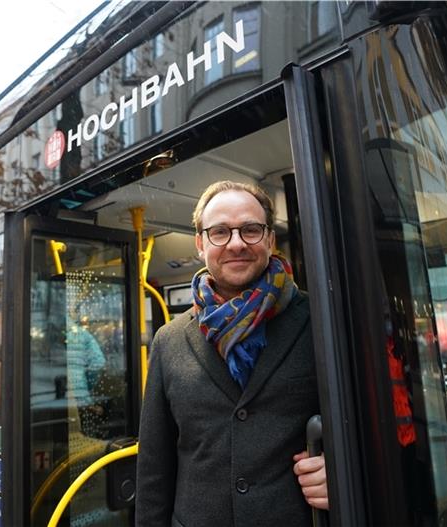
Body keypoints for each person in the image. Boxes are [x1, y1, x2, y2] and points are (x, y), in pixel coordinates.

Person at [136, 181, 328, 526]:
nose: (236, 243)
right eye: (220, 232)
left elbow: (369, 429)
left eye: (251, 230)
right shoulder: (169, 340)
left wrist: (342, 471)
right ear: (200, 244)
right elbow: (154, 467)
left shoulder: (322, 320)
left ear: (269, 239)